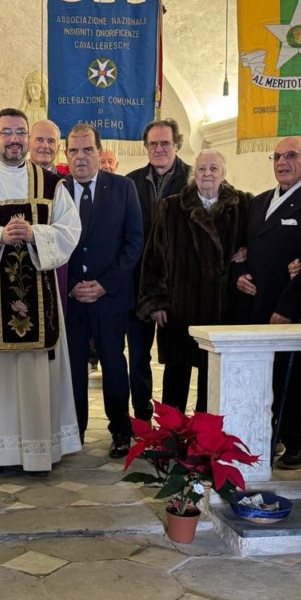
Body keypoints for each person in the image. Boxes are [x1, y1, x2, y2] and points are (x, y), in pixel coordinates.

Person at [0, 108, 82, 476]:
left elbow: (70, 230)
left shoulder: (52, 185)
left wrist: (36, 234)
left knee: (35, 371)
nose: (14, 139)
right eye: (6, 132)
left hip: (39, 294)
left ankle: (38, 451)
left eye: (20, 132)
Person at [234, 137, 301, 470]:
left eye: (291, 156)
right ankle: (265, 434)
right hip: (255, 304)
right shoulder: (259, 202)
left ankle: (296, 441)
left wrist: (288, 308)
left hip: (289, 308)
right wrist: (241, 274)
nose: (282, 162)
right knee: (261, 378)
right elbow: (243, 249)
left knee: (290, 377)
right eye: (276, 156)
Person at [138, 150, 248, 413]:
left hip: (222, 309)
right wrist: (156, 302)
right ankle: (171, 437)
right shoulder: (171, 207)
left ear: (224, 174)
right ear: (193, 174)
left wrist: (250, 253)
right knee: (176, 375)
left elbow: (258, 239)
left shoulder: (241, 205)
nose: (207, 174)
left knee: (213, 377)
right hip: (180, 307)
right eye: (201, 169)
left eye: (213, 168)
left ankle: (205, 439)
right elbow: (153, 257)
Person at [62, 125, 143, 457]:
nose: (80, 157)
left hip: (110, 296)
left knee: (113, 364)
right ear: (65, 156)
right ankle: (74, 431)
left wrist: (104, 284)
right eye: (74, 151)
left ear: (98, 152)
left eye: (87, 150)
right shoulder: (56, 190)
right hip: (70, 298)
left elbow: (134, 241)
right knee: (73, 366)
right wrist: (70, 286)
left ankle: (121, 430)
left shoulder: (124, 188)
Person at [126, 118, 192, 421]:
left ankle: (173, 422)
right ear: (146, 147)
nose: (159, 149)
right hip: (138, 284)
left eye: (165, 143)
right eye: (153, 144)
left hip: (178, 286)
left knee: (177, 359)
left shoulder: (194, 178)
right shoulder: (130, 182)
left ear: (176, 144)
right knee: (138, 356)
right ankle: (142, 416)